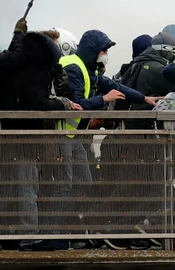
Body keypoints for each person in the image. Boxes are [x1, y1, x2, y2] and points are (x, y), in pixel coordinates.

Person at [60, 30, 159, 246]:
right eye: (103, 50)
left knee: (82, 183)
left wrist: (143, 98)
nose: (105, 54)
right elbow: (77, 104)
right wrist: (104, 99)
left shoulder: (86, 69)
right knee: (66, 185)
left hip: (74, 137)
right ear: (93, 50)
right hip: (61, 137)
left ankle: (68, 229)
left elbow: (115, 86)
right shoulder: (74, 68)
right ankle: (58, 232)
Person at [12, 30, 82, 250]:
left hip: (30, 138)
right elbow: (38, 103)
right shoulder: (35, 72)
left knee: (31, 187)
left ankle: (30, 235)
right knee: (28, 187)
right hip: (27, 139)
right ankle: (28, 238)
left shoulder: (32, 69)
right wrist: (62, 104)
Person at [115, 32, 175, 125]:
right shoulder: (158, 69)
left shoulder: (140, 63)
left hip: (132, 120)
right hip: (145, 124)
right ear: (166, 50)